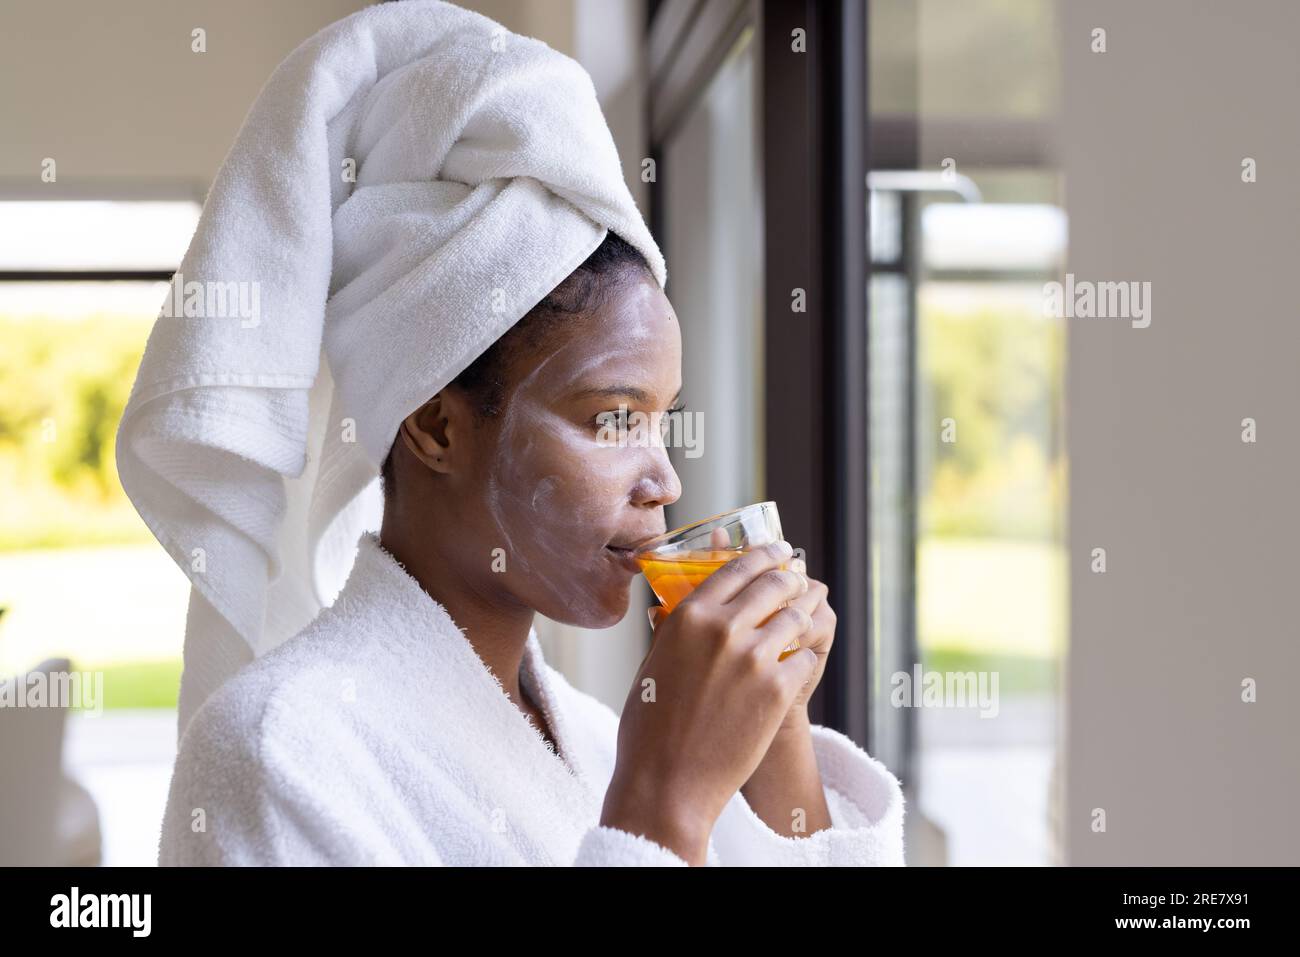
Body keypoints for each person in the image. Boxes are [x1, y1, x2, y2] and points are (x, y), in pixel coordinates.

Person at [121, 1, 905, 866]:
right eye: (614, 418)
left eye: (662, 419)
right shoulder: (275, 755)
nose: (665, 481)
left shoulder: (597, 737)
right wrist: (663, 806)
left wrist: (778, 730)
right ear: (436, 424)